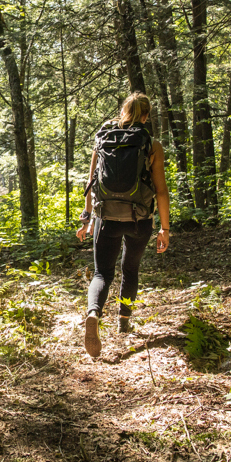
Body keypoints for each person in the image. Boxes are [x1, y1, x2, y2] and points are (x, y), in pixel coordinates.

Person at [76, 92, 170, 357]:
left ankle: (94, 312)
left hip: (106, 218)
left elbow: (91, 183)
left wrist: (87, 219)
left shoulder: (103, 139)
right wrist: (165, 228)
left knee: (101, 273)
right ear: (146, 115)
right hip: (139, 220)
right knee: (130, 268)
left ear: (123, 112)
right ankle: (123, 322)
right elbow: (161, 191)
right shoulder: (152, 144)